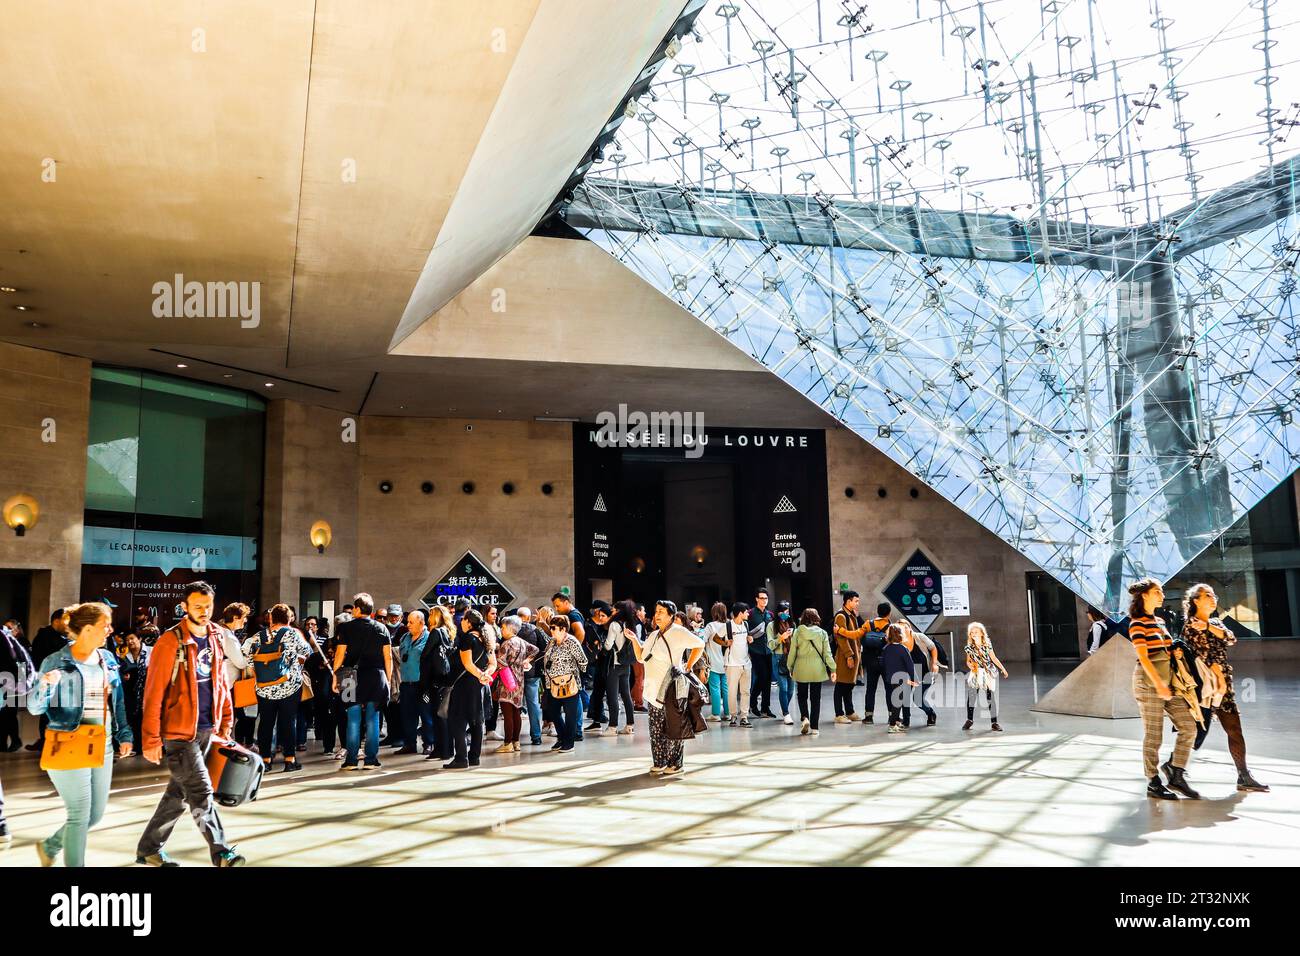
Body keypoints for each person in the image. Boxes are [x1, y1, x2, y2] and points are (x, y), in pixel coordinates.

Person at [136, 581, 243, 867]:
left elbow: (221, 683)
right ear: (184, 607)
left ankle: (149, 848)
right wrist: (150, 738)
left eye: (208, 606)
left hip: (208, 728)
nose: (204, 611)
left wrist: (226, 722)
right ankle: (221, 853)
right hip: (179, 733)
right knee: (200, 792)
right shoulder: (170, 641)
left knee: (178, 794)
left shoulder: (217, 636)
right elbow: (154, 692)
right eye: (197, 606)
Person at [25, 603, 132, 866]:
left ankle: (50, 847)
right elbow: (34, 706)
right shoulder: (56, 661)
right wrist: (45, 685)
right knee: (79, 814)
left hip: (102, 744)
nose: (110, 630)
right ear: (86, 629)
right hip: (69, 742)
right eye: (104, 625)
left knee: (94, 815)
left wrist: (124, 733)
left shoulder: (107, 658)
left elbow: (115, 701)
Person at [1181, 584, 1268, 792]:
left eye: (1214, 595)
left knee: (1234, 729)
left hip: (1223, 688)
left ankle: (1243, 775)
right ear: (1195, 601)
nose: (1213, 599)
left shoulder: (1214, 622)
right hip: (1205, 688)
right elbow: (1204, 657)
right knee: (1192, 733)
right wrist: (1219, 678)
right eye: (1207, 596)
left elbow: (1231, 638)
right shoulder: (1190, 625)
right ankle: (1174, 769)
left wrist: (1210, 627)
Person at [1128, 578, 1199, 800]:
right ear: (1145, 596)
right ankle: (1153, 781)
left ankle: (1175, 771)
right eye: (1157, 591)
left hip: (1168, 681)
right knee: (1154, 735)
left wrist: (1175, 653)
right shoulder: (1137, 623)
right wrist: (1158, 684)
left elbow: (1164, 649)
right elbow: (1144, 657)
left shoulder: (1159, 621)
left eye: (1161, 591)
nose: (1162, 595)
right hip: (1148, 683)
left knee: (1188, 726)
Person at [626, 600, 704, 775]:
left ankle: (676, 764)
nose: (657, 614)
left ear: (671, 615)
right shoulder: (653, 635)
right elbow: (640, 658)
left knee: (674, 727)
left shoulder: (679, 632)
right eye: (656, 611)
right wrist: (633, 640)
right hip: (653, 690)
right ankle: (659, 761)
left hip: (672, 688)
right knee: (655, 729)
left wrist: (688, 666)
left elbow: (700, 644)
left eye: (661, 611)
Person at [243, 603, 309, 773]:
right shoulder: (293, 634)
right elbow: (307, 651)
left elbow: (249, 662)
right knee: (288, 722)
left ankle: (265, 760)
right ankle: (289, 760)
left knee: (266, 723)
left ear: (271, 618)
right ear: (289, 618)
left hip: (264, 688)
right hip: (289, 686)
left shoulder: (258, 636)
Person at [333, 593, 394, 771]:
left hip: (349, 674)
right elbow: (388, 657)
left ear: (358, 609)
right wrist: (388, 680)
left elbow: (339, 655)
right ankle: (371, 760)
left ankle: (351, 760)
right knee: (373, 719)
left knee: (352, 718)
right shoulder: (382, 628)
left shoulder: (346, 628)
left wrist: (335, 676)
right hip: (376, 675)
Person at [444, 609, 495, 769]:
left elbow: (467, 664)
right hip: (480, 686)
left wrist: (480, 675)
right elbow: (493, 663)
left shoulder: (467, 638)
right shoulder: (487, 638)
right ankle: (474, 757)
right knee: (477, 721)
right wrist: (486, 674)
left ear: (468, 622)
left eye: (463, 620)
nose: (461, 623)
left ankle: (461, 758)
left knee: (457, 720)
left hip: (466, 685)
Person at [26, 608, 70, 751]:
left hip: (59, 682)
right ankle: (46, 741)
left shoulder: (62, 638)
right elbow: (40, 661)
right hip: (48, 680)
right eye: (66, 620)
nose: (68, 624)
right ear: (56, 621)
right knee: (46, 711)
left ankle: (47, 740)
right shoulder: (45, 636)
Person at [541, 616, 587, 754]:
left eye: (554, 628)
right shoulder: (552, 642)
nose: (552, 630)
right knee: (553, 712)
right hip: (552, 684)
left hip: (569, 684)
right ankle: (561, 738)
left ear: (563, 629)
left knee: (570, 715)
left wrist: (574, 674)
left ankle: (569, 742)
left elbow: (583, 661)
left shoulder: (572, 642)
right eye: (551, 627)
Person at [787, 608, 835, 736]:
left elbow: (792, 652)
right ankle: (815, 728)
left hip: (801, 668)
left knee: (802, 696)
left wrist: (790, 666)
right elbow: (827, 654)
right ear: (816, 618)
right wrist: (833, 669)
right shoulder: (823, 633)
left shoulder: (797, 632)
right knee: (816, 698)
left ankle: (804, 717)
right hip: (817, 669)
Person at [494, 615, 538, 753]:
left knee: (507, 713)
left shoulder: (506, 644)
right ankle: (516, 742)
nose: (501, 629)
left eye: (502, 627)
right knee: (516, 713)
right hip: (519, 681)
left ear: (509, 627)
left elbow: (500, 663)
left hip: (506, 682)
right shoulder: (521, 642)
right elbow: (535, 649)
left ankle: (507, 743)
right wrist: (527, 660)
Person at [421, 604, 457, 762]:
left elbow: (425, 654)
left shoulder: (435, 632)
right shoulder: (450, 631)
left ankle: (441, 750)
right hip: (447, 677)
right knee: (445, 714)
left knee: (438, 715)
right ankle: (447, 748)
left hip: (436, 678)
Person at [602, 600, 638, 735]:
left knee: (612, 696)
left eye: (614, 610)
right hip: (627, 664)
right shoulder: (630, 624)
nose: (612, 612)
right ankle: (630, 726)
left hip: (615, 664)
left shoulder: (614, 625)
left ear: (619, 611)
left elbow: (608, 645)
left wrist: (603, 647)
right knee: (626, 695)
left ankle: (612, 727)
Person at [962, 622, 1007, 731]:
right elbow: (968, 661)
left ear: (982, 633)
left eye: (976, 632)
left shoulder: (987, 644)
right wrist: (970, 665)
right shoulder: (969, 647)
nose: (974, 634)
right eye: (972, 633)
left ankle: (994, 723)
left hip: (987, 673)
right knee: (971, 697)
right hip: (976, 672)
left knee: (990, 697)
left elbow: (994, 658)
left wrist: (1003, 669)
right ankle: (969, 720)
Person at [515, 607, 548, 747]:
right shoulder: (536, 630)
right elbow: (545, 649)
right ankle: (536, 736)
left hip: (514, 673)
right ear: (528, 618)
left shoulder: (511, 630)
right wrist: (532, 660)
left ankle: (513, 737)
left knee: (514, 704)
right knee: (533, 704)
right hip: (532, 672)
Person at [832, 591, 867, 723]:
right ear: (848, 601)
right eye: (856, 601)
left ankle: (850, 711)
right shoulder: (841, 616)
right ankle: (839, 714)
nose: (858, 603)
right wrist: (849, 655)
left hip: (854, 653)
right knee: (841, 685)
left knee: (849, 685)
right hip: (845, 655)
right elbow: (841, 639)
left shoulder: (851, 614)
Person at [0, 620, 33, 751]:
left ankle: (14, 740)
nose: (7, 629)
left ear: (17, 629)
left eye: (9, 627)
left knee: (9, 713)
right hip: (8, 680)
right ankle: (6, 742)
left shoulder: (21, 643)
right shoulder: (8, 642)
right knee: (5, 714)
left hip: (12, 681)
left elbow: (23, 663)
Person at [899, 620, 939, 726]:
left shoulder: (919, 637)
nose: (904, 630)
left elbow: (933, 648)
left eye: (905, 627)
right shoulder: (899, 641)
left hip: (925, 673)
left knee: (917, 699)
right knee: (905, 697)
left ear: (910, 627)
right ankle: (906, 720)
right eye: (901, 628)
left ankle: (930, 713)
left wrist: (934, 663)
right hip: (909, 674)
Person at [118, 630, 151, 754]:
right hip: (131, 693)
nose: (130, 642)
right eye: (127, 640)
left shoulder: (151, 652)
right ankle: (136, 746)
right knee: (133, 719)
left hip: (147, 691)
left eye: (132, 638)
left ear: (139, 639)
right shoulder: (125, 656)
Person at [882, 624, 916, 733]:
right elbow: (910, 666)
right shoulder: (903, 649)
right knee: (898, 702)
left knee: (895, 701)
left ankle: (896, 722)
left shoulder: (886, 648)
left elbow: (882, 663)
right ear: (901, 635)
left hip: (890, 679)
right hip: (902, 679)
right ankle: (892, 725)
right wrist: (914, 679)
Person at [860, 603, 891, 724]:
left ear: (877, 612)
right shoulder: (891, 626)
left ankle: (868, 717)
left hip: (871, 661)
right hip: (886, 662)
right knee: (889, 689)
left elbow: (859, 637)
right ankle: (892, 716)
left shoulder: (868, 624)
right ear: (889, 613)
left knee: (870, 689)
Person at [584, 601, 612, 734]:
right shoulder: (600, 628)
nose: (600, 618)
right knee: (597, 692)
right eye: (599, 615)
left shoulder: (613, 629)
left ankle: (613, 724)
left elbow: (607, 648)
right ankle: (596, 721)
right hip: (599, 665)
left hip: (610, 666)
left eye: (603, 616)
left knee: (611, 695)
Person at [748, 588, 775, 718]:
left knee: (768, 678)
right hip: (755, 650)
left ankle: (765, 708)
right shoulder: (750, 613)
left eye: (766, 598)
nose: (764, 600)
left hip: (768, 650)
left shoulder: (770, 614)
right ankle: (753, 702)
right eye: (762, 598)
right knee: (762, 676)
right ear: (757, 599)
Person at [701, 602, 730, 722]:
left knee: (715, 688)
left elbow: (702, 641)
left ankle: (716, 714)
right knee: (726, 688)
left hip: (713, 661)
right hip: (727, 661)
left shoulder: (710, 626)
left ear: (714, 613)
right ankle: (728, 713)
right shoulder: (729, 625)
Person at [766, 602, 795, 724]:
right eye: (783, 612)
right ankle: (786, 713)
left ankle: (785, 708)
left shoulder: (792, 624)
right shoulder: (771, 626)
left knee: (791, 690)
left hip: (791, 658)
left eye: (787, 612)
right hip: (778, 658)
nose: (785, 614)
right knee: (783, 688)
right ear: (778, 613)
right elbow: (770, 645)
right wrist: (781, 638)